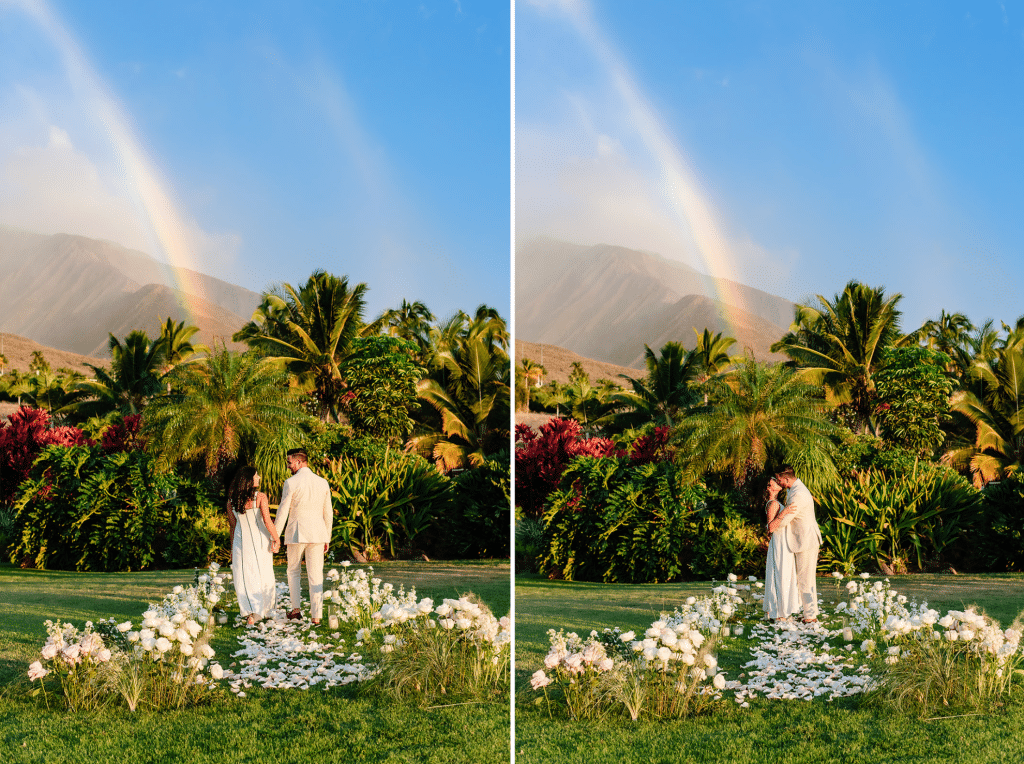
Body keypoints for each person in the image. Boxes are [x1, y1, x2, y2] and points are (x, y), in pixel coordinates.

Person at [274, 448, 334, 625]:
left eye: (290, 462)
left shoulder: (291, 483)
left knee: (293, 571)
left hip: (297, 532)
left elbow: (283, 511)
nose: (288, 466)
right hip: (318, 533)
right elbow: (328, 512)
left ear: (299, 462)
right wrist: (327, 537)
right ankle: (316, 616)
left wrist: (276, 535)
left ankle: (296, 610)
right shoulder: (322, 482)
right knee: (316, 575)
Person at [226, 466, 280, 626]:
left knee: (244, 576)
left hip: (240, 542)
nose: (259, 477)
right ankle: (263, 611)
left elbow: (233, 527)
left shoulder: (231, 501)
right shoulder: (260, 497)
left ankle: (251, 611)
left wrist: (232, 548)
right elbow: (267, 520)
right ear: (249, 479)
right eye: (256, 475)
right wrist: (277, 539)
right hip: (259, 540)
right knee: (263, 573)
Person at [771, 464, 823, 623]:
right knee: (804, 578)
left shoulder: (798, 494)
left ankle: (810, 616)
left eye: (779, 479)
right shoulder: (793, 489)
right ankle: (809, 613)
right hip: (802, 539)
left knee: (806, 579)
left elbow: (787, 518)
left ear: (786, 478)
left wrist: (772, 524)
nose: (778, 482)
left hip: (806, 540)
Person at [762, 476, 801, 621]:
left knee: (783, 575)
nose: (778, 482)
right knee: (778, 575)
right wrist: (784, 513)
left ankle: (781, 610)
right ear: (770, 487)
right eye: (774, 481)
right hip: (779, 545)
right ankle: (777, 613)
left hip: (783, 544)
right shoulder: (773, 504)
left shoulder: (777, 503)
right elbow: (770, 528)